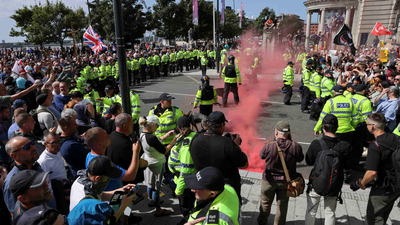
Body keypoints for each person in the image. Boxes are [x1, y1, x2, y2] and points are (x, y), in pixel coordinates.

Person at [350, 113, 400, 225]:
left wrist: (362, 183)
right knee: (385, 211)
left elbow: (371, 173)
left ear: (372, 127)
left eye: (367, 124)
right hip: (396, 185)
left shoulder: (375, 145)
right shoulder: (395, 137)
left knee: (374, 217)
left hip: (383, 188)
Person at [190, 111, 248, 202]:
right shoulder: (227, 143)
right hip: (226, 188)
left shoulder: (195, 139)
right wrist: (236, 146)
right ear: (222, 125)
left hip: (203, 185)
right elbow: (244, 164)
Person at [305, 114, 351, 225]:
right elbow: (348, 165)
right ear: (337, 127)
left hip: (316, 183)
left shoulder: (316, 144)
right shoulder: (345, 145)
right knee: (330, 213)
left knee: (311, 211)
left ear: (323, 127)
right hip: (334, 184)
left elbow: (308, 161)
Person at [258, 121, 304, 225]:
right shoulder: (295, 146)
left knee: (265, 203)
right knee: (282, 206)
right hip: (286, 182)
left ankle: (262, 222)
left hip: (269, 181)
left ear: (276, 132)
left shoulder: (269, 145)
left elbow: (262, 155)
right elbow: (300, 158)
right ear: (288, 133)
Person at [68, 156, 136, 224]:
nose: (109, 179)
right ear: (97, 178)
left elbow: (100, 196)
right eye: (108, 177)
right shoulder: (88, 201)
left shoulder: (81, 180)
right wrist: (123, 206)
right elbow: (108, 222)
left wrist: (121, 190)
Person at [3, 137, 56, 217]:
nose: (33, 147)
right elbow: (14, 214)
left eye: (31, 143)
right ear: (14, 156)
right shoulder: (11, 183)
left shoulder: (36, 167)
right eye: (26, 147)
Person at [139, 116, 180, 217]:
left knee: (149, 184)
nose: (157, 128)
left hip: (148, 161)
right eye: (157, 126)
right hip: (156, 163)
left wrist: (166, 135)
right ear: (152, 125)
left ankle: (151, 201)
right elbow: (164, 149)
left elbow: (156, 141)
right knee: (156, 188)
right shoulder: (152, 137)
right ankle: (158, 210)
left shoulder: (143, 134)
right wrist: (174, 139)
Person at [168, 117, 197, 222]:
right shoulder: (190, 136)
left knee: (186, 207)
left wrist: (179, 190)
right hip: (185, 180)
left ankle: (188, 220)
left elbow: (186, 171)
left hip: (185, 183)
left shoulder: (186, 144)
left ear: (178, 128)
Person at [59, 111, 91, 179]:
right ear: (66, 128)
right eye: (74, 124)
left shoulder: (71, 137)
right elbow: (89, 152)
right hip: (81, 176)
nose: (77, 125)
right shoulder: (69, 146)